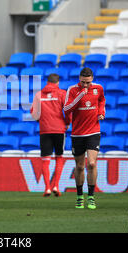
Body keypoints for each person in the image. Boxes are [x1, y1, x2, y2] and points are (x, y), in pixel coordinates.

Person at [64, 67, 105, 209]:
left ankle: (91, 197)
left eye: (87, 82)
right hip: (77, 133)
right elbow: (67, 109)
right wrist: (80, 95)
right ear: (79, 79)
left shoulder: (98, 88)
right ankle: (80, 196)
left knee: (92, 164)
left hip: (93, 131)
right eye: (83, 82)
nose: (85, 85)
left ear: (92, 79)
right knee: (80, 166)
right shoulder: (73, 90)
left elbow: (101, 101)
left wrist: (101, 112)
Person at [31, 73, 70, 197]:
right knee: (59, 157)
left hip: (45, 130)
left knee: (45, 160)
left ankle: (47, 188)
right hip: (59, 129)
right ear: (57, 82)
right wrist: (67, 123)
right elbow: (68, 110)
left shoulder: (38, 94)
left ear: (47, 82)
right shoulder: (62, 93)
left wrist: (40, 120)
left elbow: (33, 113)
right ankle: (56, 186)